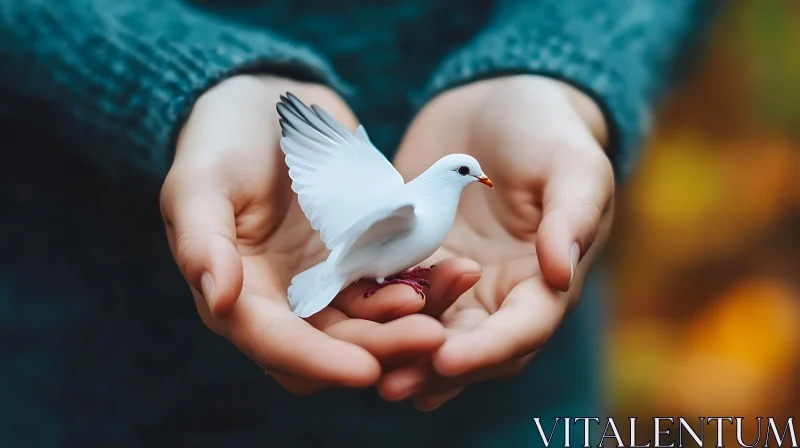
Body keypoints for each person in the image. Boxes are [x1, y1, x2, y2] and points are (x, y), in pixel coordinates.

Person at [0, 1, 717, 446]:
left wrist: (566, 70)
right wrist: (207, 82)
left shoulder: (412, 200)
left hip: (511, 417)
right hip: (79, 391)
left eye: (471, 175)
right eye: (468, 175)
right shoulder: (408, 203)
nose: (475, 181)